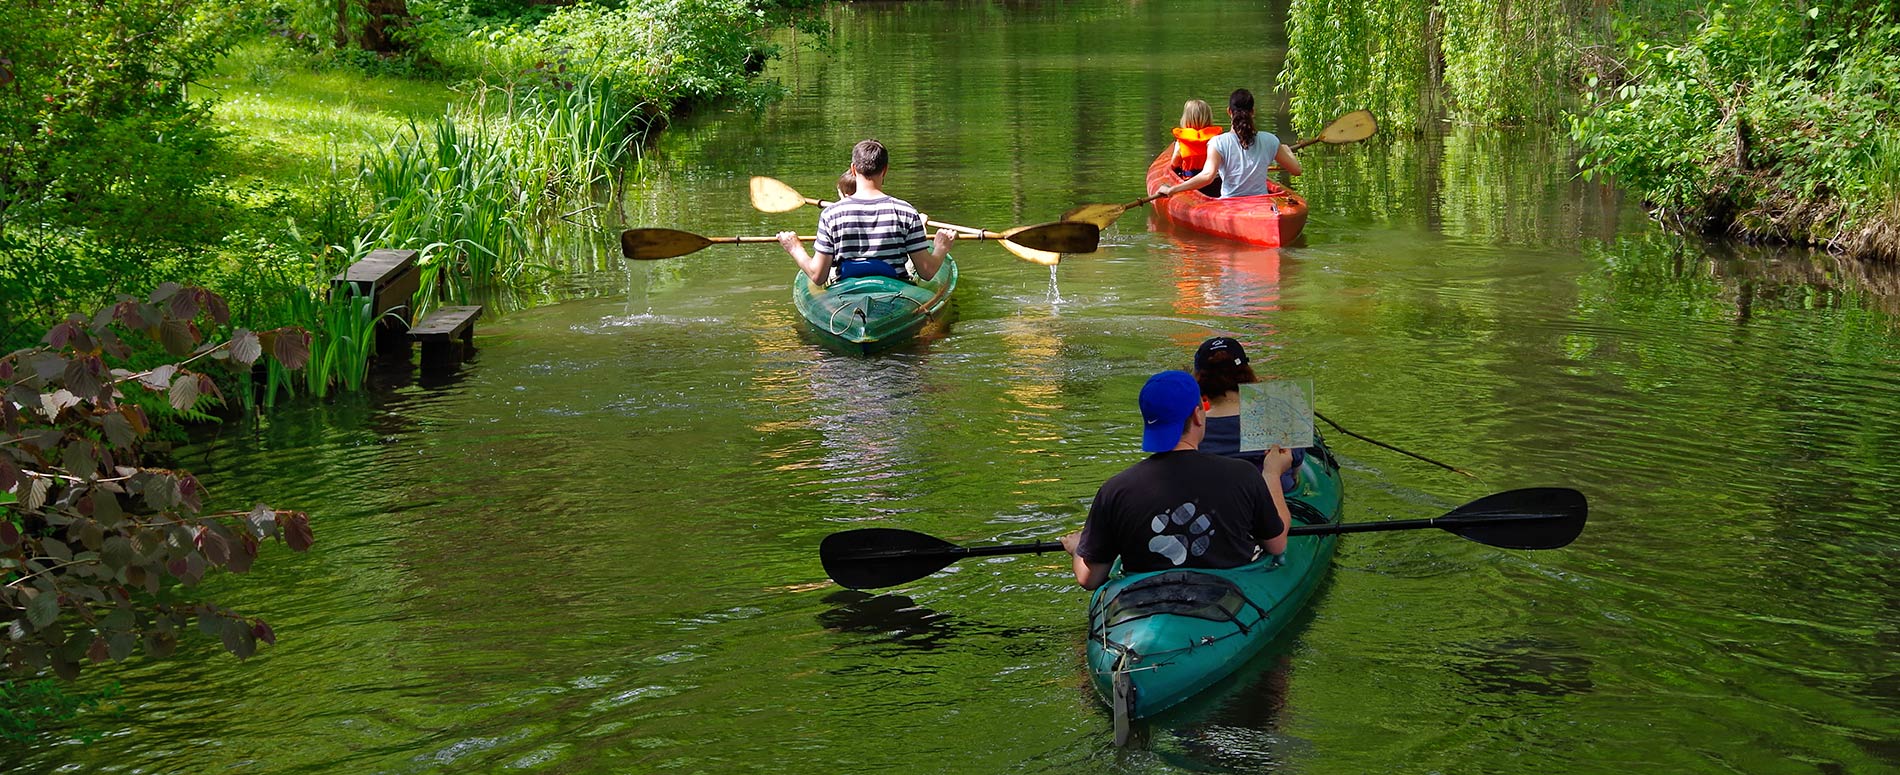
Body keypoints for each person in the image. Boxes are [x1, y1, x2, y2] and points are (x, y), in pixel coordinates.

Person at [1058, 371, 1290, 591]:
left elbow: (1089, 578)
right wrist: (1271, 474)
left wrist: (1079, 549)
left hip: (1146, 604)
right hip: (1228, 602)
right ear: (1197, 415)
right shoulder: (1243, 475)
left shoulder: (1115, 490)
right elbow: (1277, 545)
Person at [778, 139, 955, 287]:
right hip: (896, 293)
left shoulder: (831, 214)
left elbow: (818, 276)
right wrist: (941, 247)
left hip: (846, 296)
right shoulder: (906, 211)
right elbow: (927, 271)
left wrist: (795, 248)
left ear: (853, 170)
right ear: (885, 169)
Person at [1191, 336, 1305, 495]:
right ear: (1246, 373)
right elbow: (1296, 470)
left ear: (1198, 380)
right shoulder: (1282, 415)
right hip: (1278, 500)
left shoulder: (1190, 428)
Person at [1154, 88, 1302, 200]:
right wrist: (1286, 151)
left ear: (1229, 112)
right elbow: (1296, 170)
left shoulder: (1217, 142)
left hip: (1230, 203)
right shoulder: (1271, 140)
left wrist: (1172, 190)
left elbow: (1207, 176)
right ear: (1253, 112)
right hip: (1260, 202)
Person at [1169, 99, 1224, 178]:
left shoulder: (1181, 142)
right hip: (1213, 179)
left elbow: (1174, 164)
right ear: (1209, 118)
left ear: (1185, 118)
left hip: (1190, 180)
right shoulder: (1216, 139)